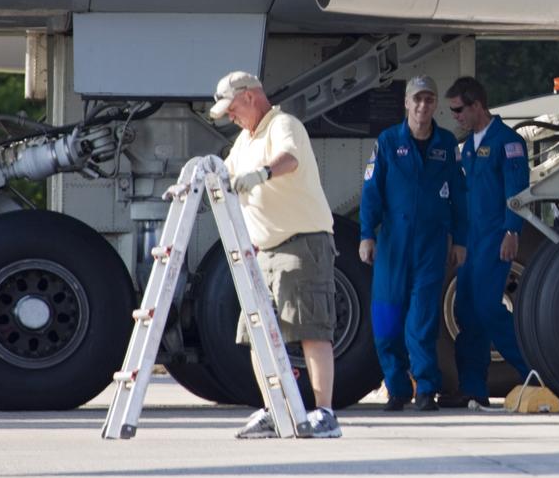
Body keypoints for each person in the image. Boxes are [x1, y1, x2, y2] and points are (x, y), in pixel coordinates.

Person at [209, 70, 341, 439]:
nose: (230, 116)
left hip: (301, 244)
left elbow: (290, 159)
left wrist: (262, 174)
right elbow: (225, 174)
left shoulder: (283, 124)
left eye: (232, 108)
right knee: (259, 333)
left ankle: (325, 413)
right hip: (262, 250)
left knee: (312, 329)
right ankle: (274, 409)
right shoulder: (244, 140)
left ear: (250, 96)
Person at [359, 75, 467, 411]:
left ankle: (425, 389)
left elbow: (459, 196)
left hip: (430, 246)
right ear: (406, 103)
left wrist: (460, 240)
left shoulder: (446, 144)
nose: (423, 106)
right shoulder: (389, 142)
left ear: (435, 104)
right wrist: (366, 234)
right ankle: (397, 388)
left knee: (421, 322)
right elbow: (371, 192)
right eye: (417, 99)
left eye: (429, 99)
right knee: (388, 324)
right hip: (392, 246)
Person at [442, 76, 531, 407]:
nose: (456, 117)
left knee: (487, 308)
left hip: (495, 237)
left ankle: (534, 372)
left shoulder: (508, 142)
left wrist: (513, 230)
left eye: (459, 110)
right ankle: (472, 388)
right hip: (472, 241)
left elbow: (517, 190)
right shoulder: (467, 146)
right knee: (466, 312)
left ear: (477, 105)